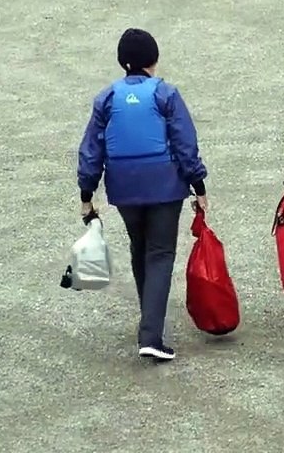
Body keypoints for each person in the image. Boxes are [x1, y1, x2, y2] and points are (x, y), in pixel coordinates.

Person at [77, 28, 209, 362]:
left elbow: (91, 149)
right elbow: (185, 143)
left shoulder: (107, 98)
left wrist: (86, 193)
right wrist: (199, 185)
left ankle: (148, 317)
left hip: (124, 187)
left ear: (122, 62)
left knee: (140, 247)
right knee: (160, 253)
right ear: (154, 59)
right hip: (164, 184)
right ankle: (151, 334)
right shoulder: (165, 93)